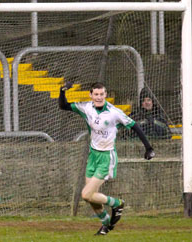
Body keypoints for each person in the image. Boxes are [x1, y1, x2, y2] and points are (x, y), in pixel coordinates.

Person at [59, 82, 155, 235]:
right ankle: (106, 225)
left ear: (105, 95)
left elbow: (135, 126)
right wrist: (62, 90)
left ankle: (117, 204)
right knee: (91, 198)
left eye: (101, 94)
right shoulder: (86, 107)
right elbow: (63, 106)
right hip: (93, 155)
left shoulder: (113, 112)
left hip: (106, 157)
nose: (98, 97)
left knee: (86, 194)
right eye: (96, 94)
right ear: (91, 95)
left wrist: (149, 148)